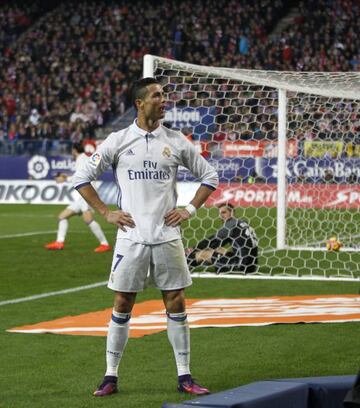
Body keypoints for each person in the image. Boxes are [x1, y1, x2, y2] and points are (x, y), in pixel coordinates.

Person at [72, 78, 219, 397]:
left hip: (168, 236)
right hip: (131, 238)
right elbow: (82, 178)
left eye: (164, 95)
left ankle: (185, 376)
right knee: (123, 302)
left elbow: (210, 177)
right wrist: (106, 212)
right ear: (140, 103)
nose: (164, 100)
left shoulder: (177, 141)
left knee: (176, 302)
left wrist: (190, 210)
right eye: (157, 96)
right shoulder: (119, 140)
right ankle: (110, 376)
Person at [44, 142, 112, 253]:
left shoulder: (81, 159)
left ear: (74, 150)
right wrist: (67, 177)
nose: (71, 152)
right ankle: (59, 243)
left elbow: (82, 177)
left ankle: (104, 244)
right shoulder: (84, 158)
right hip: (83, 196)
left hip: (87, 193)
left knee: (88, 220)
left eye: (72, 150)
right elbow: (79, 175)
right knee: (62, 216)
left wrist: (65, 179)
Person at [186, 203, 258, 274]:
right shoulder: (243, 222)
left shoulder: (230, 224)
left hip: (239, 266)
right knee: (219, 249)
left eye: (224, 212)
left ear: (232, 212)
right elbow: (219, 243)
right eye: (220, 213)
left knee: (204, 254)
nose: (221, 216)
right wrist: (222, 251)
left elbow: (212, 241)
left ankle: (183, 266)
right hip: (251, 266)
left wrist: (193, 249)